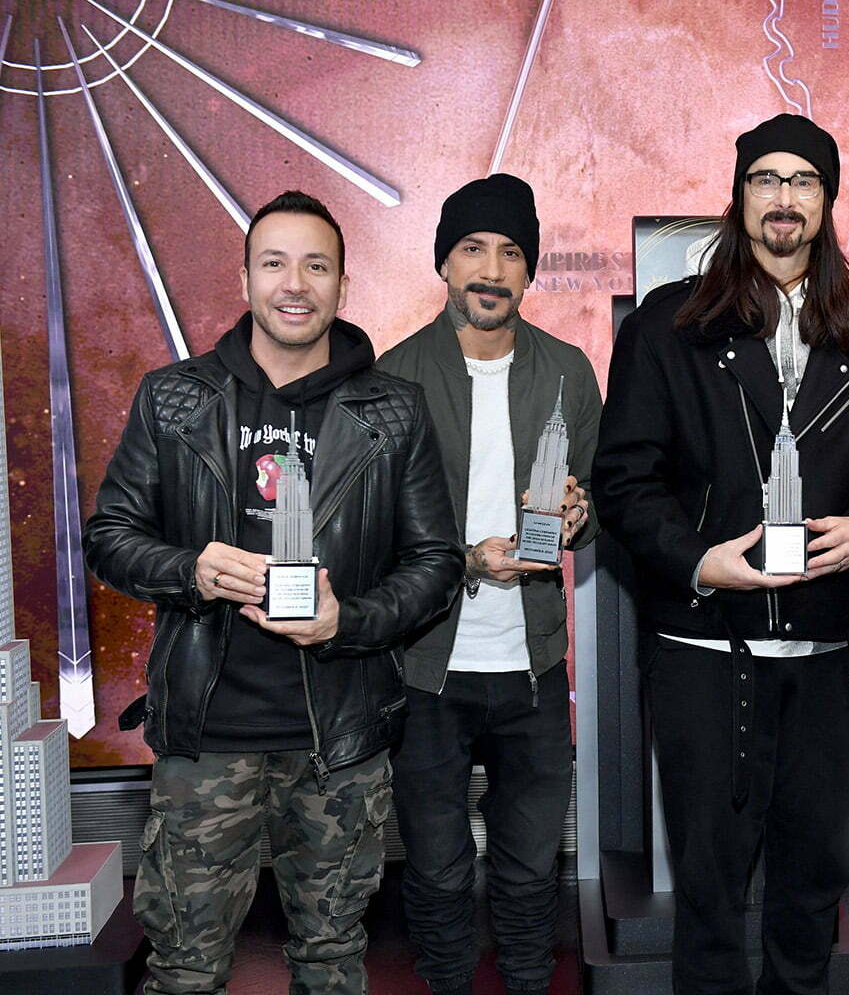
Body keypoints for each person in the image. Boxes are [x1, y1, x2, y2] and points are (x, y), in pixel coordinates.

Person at [83, 190, 464, 994]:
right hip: (206, 736)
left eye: (316, 265)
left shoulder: (391, 410)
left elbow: (435, 565)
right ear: (245, 277)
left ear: (343, 284)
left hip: (339, 742)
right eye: (276, 262)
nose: (296, 283)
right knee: (184, 971)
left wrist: (344, 622)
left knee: (332, 966)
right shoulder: (176, 398)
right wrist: (191, 570)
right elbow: (110, 539)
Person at [593, 113, 849, 995]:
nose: (784, 198)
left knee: (813, 892)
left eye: (803, 181)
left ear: (827, 201)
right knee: (707, 895)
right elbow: (623, 483)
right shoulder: (669, 329)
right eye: (765, 179)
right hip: (704, 653)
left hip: (822, 657)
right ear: (737, 197)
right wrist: (700, 562)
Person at [376, 173, 600, 995]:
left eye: (511, 252)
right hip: (426, 669)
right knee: (435, 873)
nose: (492, 269)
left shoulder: (569, 372)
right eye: (473, 248)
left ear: (530, 269)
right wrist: (468, 559)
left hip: (534, 668)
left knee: (531, 868)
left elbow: (606, 496)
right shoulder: (394, 376)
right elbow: (368, 539)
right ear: (444, 263)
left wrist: (581, 512)